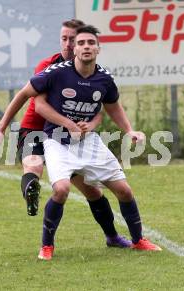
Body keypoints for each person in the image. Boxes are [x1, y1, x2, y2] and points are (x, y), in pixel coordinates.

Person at [0, 20, 131, 249]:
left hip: (67, 139)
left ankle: (112, 236)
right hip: (35, 130)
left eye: (72, 39)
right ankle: (31, 191)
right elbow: (34, 100)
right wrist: (0, 128)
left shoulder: (93, 73)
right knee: (34, 166)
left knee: (93, 191)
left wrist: (91, 124)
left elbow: (101, 109)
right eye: (64, 39)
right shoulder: (49, 66)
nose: (68, 44)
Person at [31, 24, 162, 260]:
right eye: (80, 43)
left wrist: (129, 130)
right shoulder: (58, 72)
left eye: (90, 43)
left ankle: (138, 240)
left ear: (98, 49)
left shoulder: (104, 78)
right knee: (61, 190)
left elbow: (111, 107)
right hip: (57, 141)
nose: (85, 47)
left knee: (124, 191)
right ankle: (47, 246)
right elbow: (36, 103)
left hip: (88, 142)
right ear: (75, 49)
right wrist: (68, 124)